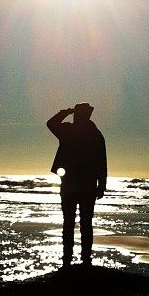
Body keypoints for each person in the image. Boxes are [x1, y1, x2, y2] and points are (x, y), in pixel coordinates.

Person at [47, 103, 107, 267]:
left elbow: (102, 161)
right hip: (80, 185)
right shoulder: (92, 134)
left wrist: (66, 112)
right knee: (81, 223)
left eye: (76, 113)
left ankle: (74, 259)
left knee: (74, 223)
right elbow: (102, 162)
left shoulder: (76, 131)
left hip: (77, 185)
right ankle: (79, 259)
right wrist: (101, 185)